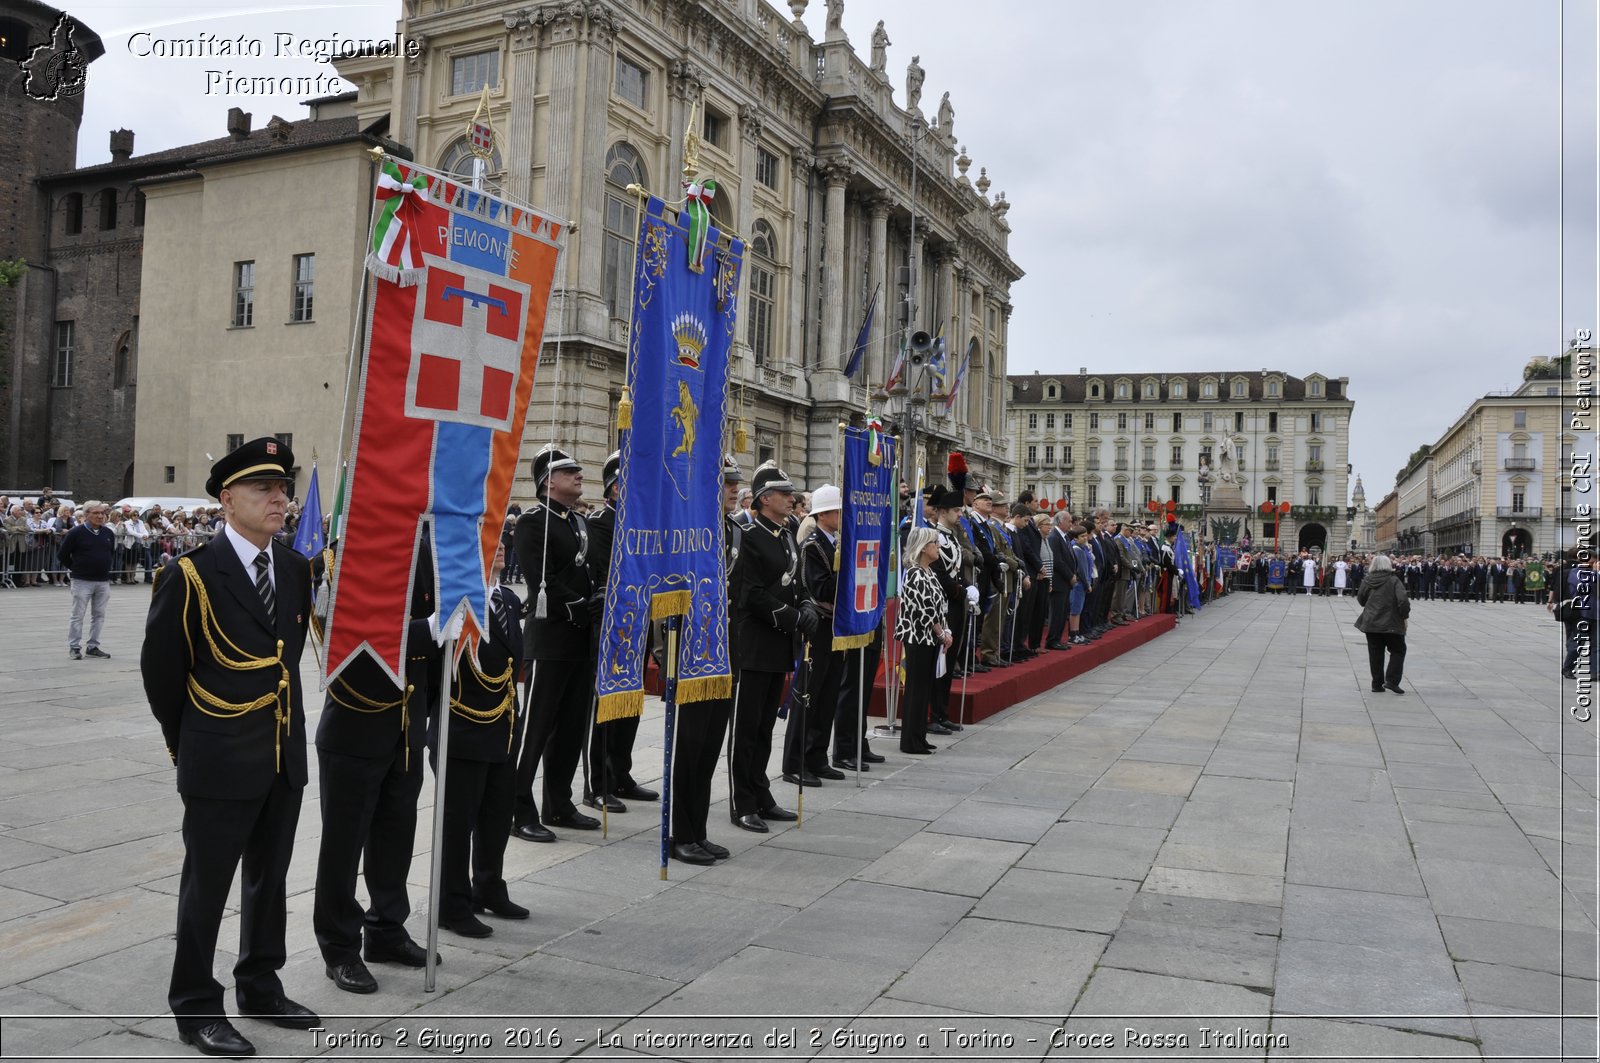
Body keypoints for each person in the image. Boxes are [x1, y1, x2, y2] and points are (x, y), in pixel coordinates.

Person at [141, 438, 319, 1058]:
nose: (279, 498)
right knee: (207, 887)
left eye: (283, 487)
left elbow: (287, 664)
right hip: (219, 758)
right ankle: (194, 1005)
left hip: (280, 753)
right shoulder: (188, 574)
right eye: (263, 489)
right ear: (226, 500)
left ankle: (261, 983)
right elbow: (163, 676)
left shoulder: (295, 568)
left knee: (270, 882)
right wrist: (189, 747)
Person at [314, 531, 441, 994]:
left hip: (407, 722)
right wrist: (429, 631)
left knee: (395, 834)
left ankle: (386, 929)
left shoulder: (428, 548)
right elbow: (352, 629)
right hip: (356, 719)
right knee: (343, 847)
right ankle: (339, 947)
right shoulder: (347, 550)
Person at [430, 542, 527, 938]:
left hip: (502, 723)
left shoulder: (506, 597)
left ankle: (489, 885)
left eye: (504, 537)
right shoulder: (454, 602)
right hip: (463, 726)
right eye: (490, 537)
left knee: (497, 813)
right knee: (457, 821)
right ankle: (451, 904)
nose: (502, 545)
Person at [513, 446, 603, 842]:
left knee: (570, 727)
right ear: (548, 481)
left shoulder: (579, 522)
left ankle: (559, 803)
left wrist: (598, 597)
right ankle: (517, 809)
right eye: (569, 471)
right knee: (535, 728)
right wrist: (581, 607)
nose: (579, 474)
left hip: (580, 640)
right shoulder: (534, 522)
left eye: (578, 470)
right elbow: (539, 578)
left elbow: (592, 571)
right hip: (550, 637)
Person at [729, 461, 816, 834]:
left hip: (777, 644)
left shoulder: (784, 533)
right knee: (746, 728)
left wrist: (807, 603)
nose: (791, 498)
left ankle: (761, 793)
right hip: (752, 643)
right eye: (784, 493)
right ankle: (741, 801)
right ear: (765, 499)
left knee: (765, 727)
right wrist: (793, 617)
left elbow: (794, 581)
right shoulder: (748, 535)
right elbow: (751, 594)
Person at [670, 455, 746, 864]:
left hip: (724, 649)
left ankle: (697, 830)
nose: (735, 488)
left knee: (709, 746)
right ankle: (680, 832)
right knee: (690, 746)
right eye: (726, 481)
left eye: (735, 482)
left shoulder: (733, 531)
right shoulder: (687, 530)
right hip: (691, 651)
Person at [584, 451, 657, 814]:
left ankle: (621, 774)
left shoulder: (639, 521)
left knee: (631, 702)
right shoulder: (602, 521)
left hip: (639, 620)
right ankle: (597, 782)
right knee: (606, 706)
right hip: (612, 624)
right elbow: (601, 570)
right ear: (615, 488)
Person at [783, 484, 846, 786]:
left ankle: (817, 756)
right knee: (808, 695)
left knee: (829, 692)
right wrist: (848, 578)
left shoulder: (837, 543)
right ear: (825, 514)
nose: (841, 515)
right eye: (838, 510)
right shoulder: (812, 546)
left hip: (835, 627)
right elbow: (819, 588)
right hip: (816, 627)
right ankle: (795, 761)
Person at [896, 526, 950, 754]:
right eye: (934, 543)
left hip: (930, 638)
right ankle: (910, 740)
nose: (938, 547)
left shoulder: (930, 573)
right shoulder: (915, 574)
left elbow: (940, 605)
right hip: (918, 638)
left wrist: (946, 631)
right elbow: (925, 609)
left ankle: (920, 736)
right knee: (916, 691)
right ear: (923, 548)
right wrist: (941, 632)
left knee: (924, 690)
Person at [59, 500, 114, 659]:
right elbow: (62, 554)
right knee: (78, 615)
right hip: (82, 580)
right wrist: (76, 568)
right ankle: (74, 646)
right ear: (86, 515)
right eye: (95, 513)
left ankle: (93, 646)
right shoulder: (76, 533)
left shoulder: (107, 533)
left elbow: (111, 552)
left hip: (102, 580)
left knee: (99, 615)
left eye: (102, 513)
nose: (100, 516)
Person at [1355, 554, 1410, 694]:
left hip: (1371, 622)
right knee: (1398, 650)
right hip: (1391, 622)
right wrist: (1404, 616)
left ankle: (1376, 684)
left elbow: (1361, 599)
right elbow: (1403, 600)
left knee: (1375, 653)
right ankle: (1391, 681)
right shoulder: (1394, 580)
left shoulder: (1367, 580)